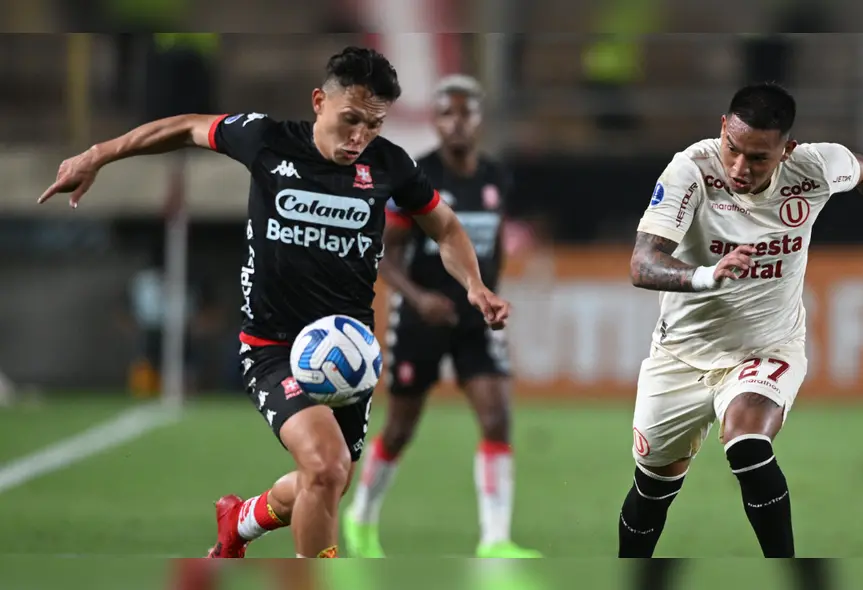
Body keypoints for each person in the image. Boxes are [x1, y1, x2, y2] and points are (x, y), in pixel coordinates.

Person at [38, 46, 511, 559]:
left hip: (348, 356)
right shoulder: (265, 139)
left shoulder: (390, 164)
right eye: (350, 120)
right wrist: (98, 155)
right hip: (274, 348)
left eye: (373, 125)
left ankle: (241, 520)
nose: (359, 138)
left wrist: (474, 285)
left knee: (329, 481)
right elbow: (184, 127)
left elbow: (443, 226)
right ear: (318, 102)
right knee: (326, 469)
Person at [619, 83, 863, 558]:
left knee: (747, 442)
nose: (739, 168)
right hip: (681, 355)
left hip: (767, 348)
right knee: (653, 487)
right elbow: (642, 264)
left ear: (786, 151)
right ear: (722, 129)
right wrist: (709, 275)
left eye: (757, 158)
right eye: (733, 149)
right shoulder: (690, 170)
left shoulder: (813, 166)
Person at [343, 75, 540, 559]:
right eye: (446, 114)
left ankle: (495, 540)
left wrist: (488, 292)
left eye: (465, 113)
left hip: (475, 319)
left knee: (496, 417)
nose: (456, 122)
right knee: (401, 428)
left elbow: (488, 249)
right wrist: (417, 298)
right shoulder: (417, 176)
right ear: (435, 120)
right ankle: (361, 516)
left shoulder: (495, 176)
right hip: (420, 318)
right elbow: (384, 255)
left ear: (479, 119)